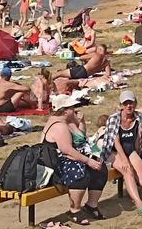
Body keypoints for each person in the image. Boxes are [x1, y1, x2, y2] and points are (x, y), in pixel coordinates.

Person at [42, 94, 109, 224]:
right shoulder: (59, 126)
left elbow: (81, 137)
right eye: (72, 107)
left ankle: (91, 205)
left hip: (68, 158)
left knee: (100, 168)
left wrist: (81, 122)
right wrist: (88, 161)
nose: (75, 109)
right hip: (55, 164)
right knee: (80, 172)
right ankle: (74, 210)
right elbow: (67, 150)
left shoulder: (69, 121)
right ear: (64, 111)